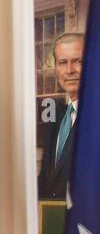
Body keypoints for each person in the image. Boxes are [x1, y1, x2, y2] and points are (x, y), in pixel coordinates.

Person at [40, 32, 84, 200]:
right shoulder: (55, 118)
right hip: (52, 222)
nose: (69, 70)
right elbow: (47, 178)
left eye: (78, 61)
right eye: (62, 62)